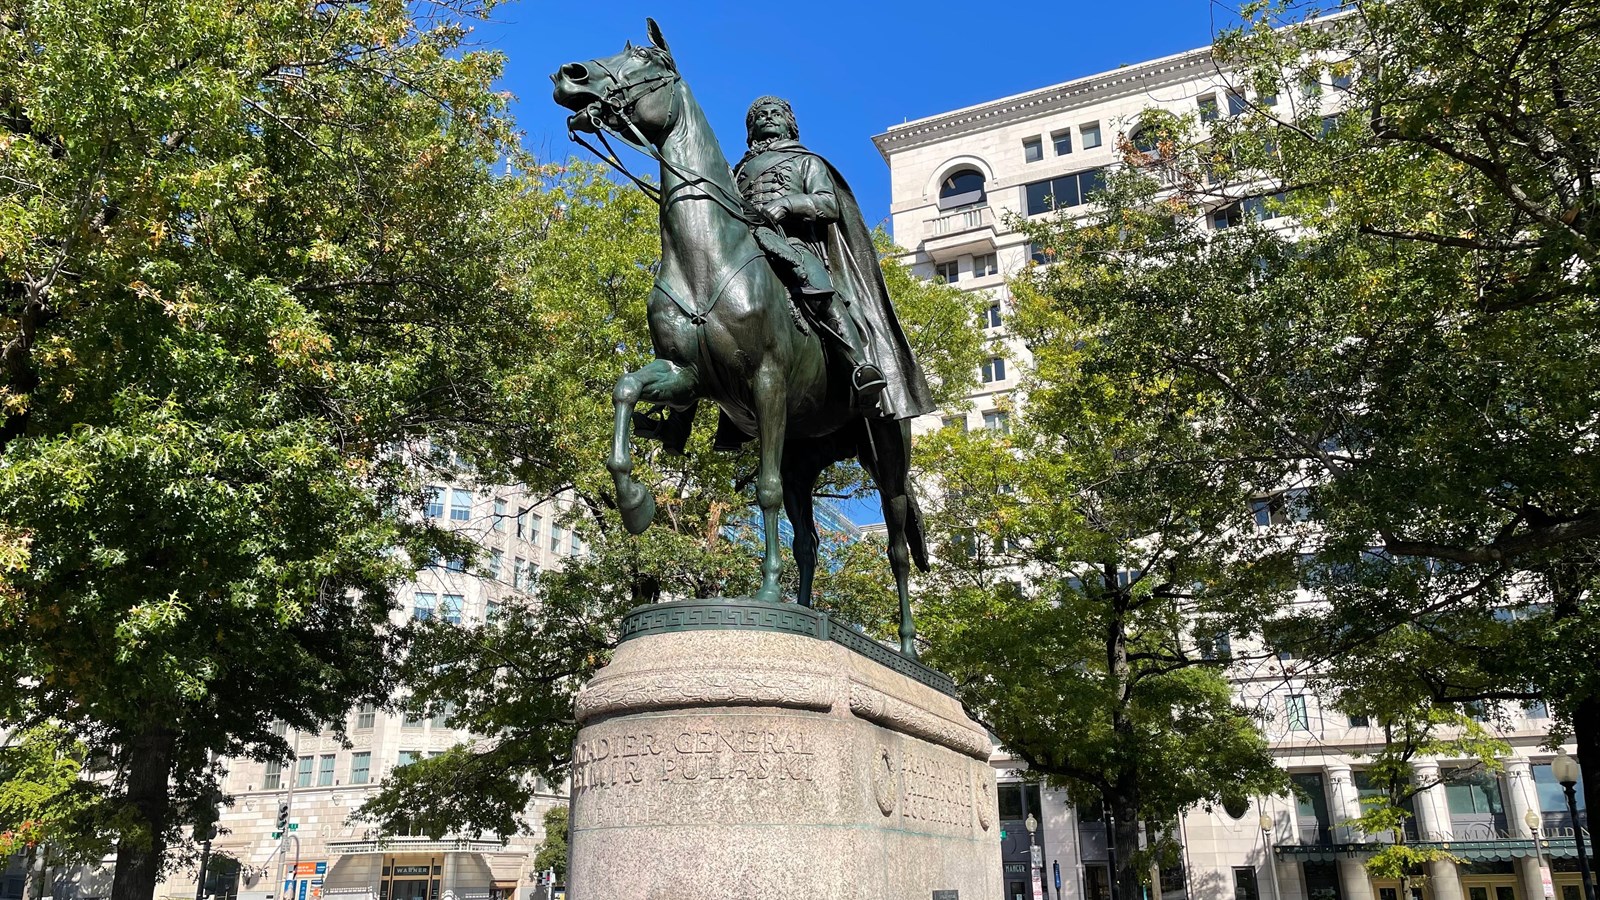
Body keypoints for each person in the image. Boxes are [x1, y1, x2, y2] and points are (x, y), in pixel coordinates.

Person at [733, 96, 934, 420]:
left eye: (776, 114)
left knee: (816, 284)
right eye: (760, 115)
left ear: (789, 124)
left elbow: (828, 204)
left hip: (794, 244)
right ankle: (679, 415)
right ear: (751, 128)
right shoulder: (737, 171)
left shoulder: (806, 162)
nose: (768, 118)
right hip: (745, 248)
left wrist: (787, 205)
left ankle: (861, 367)